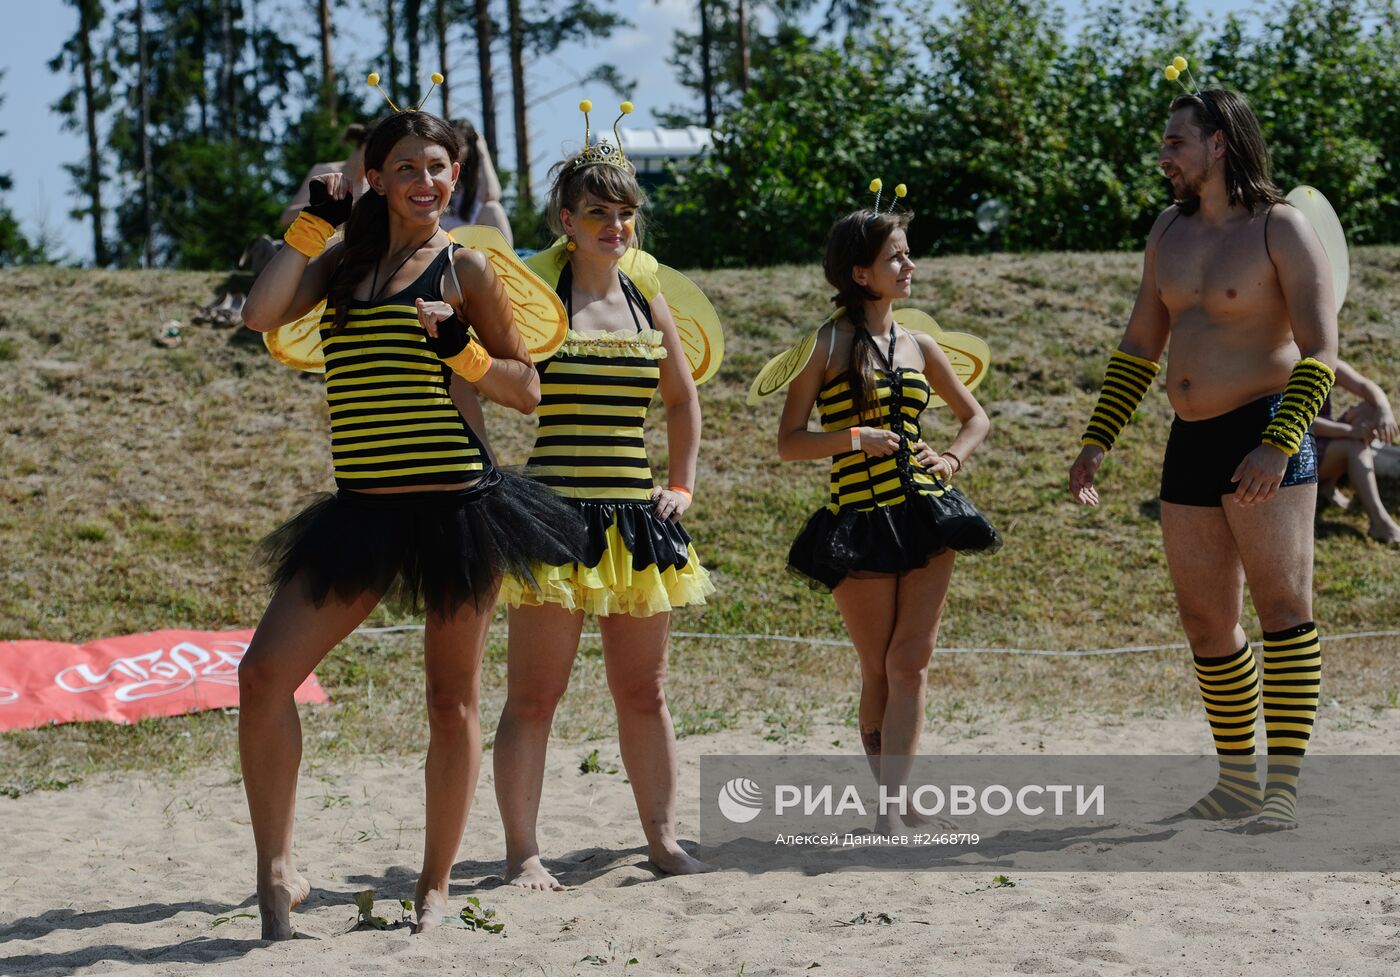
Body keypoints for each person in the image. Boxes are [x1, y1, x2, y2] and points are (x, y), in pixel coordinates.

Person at [239, 108, 585, 938]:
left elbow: (527, 389)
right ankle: (276, 871)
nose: (424, 181)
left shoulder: (467, 267)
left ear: (455, 177)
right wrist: (313, 224)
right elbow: (260, 314)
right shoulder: (341, 263)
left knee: (448, 699)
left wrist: (462, 348)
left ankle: (434, 884)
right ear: (376, 177)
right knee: (262, 675)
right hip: (361, 508)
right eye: (405, 167)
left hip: (457, 507)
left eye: (437, 167)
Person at [1068, 85, 1338, 831]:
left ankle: (1282, 788)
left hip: (1268, 430)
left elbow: (1321, 349)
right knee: (1205, 621)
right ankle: (1236, 783)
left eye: (1176, 143)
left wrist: (1279, 443)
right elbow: (1139, 343)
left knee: (1283, 610)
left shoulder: (1281, 227)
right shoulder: (1167, 229)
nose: (1164, 156)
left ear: (1218, 143)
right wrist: (1098, 437)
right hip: (1189, 438)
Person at [491, 103, 713, 890]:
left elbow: (683, 402)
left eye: (624, 214)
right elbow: (485, 381)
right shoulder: (536, 302)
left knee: (644, 692)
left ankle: (662, 840)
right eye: (597, 213)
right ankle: (523, 853)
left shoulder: (648, 303)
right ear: (567, 220)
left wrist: (681, 483)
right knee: (534, 696)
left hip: (635, 522)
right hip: (551, 518)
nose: (614, 226)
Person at [774, 201, 1000, 834]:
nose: (909, 266)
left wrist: (950, 457)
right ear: (860, 272)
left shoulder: (920, 344)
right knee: (879, 669)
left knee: (911, 663)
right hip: (858, 521)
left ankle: (897, 803)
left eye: (906, 254)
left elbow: (976, 417)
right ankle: (889, 807)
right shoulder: (825, 345)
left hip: (928, 514)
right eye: (894, 257)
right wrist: (854, 437)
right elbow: (789, 442)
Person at [1312, 358, 1400, 544]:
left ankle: (1329, 484)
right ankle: (1380, 522)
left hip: (1326, 438)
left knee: (1370, 409)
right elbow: (1301, 420)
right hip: (1299, 449)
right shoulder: (1285, 363)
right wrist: (1349, 431)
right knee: (1355, 446)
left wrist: (1384, 410)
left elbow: (1365, 385)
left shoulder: (1322, 357)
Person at [278, 122, 371, 229]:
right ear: (364, 145)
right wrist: (324, 206)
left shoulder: (371, 189)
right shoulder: (325, 171)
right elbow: (286, 218)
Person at [440, 117, 514, 246]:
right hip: (443, 243)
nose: (455, 150)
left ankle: (505, 258)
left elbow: (491, 195)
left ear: (470, 148)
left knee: (493, 208)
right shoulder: (437, 174)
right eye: (451, 143)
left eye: (460, 144)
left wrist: (483, 152)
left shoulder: (477, 179)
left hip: (472, 244)